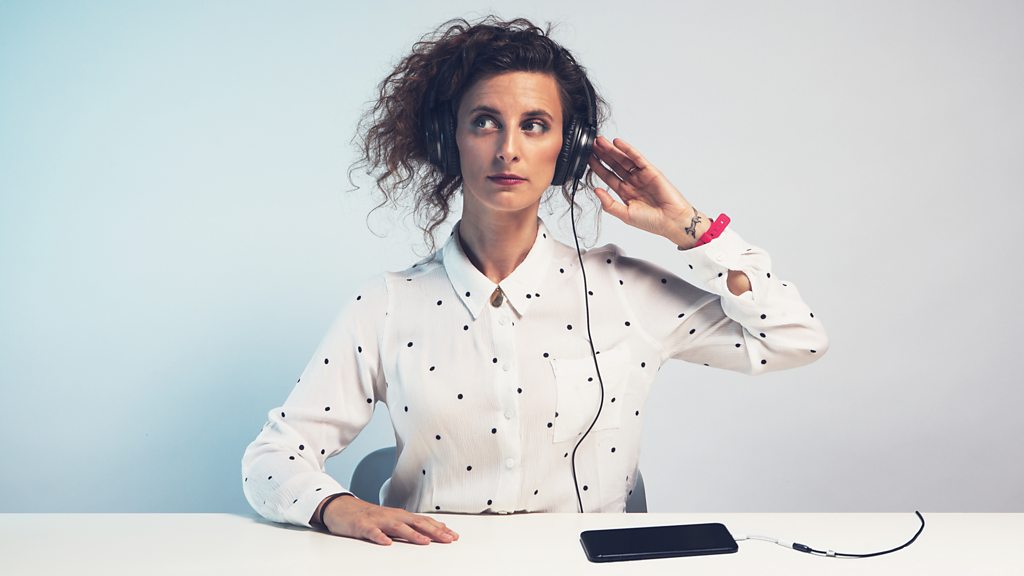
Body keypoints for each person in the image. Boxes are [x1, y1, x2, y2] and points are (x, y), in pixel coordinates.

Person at [241, 15, 829, 547]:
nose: (508, 150)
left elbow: (795, 339)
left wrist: (690, 229)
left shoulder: (624, 291)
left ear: (566, 150)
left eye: (535, 125)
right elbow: (273, 457)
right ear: (449, 140)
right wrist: (337, 507)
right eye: (484, 122)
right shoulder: (387, 304)